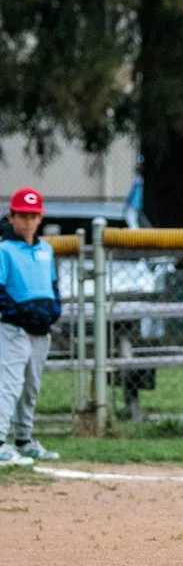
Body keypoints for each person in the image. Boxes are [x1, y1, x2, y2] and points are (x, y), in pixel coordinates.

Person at [0, 188, 63, 466]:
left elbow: (51, 286)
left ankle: (24, 440)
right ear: (11, 217)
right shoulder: (4, 249)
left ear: (40, 218)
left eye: (33, 216)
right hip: (13, 329)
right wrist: (20, 312)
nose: (28, 222)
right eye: (22, 216)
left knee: (31, 386)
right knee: (9, 385)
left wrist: (54, 309)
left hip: (40, 329)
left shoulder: (45, 249)